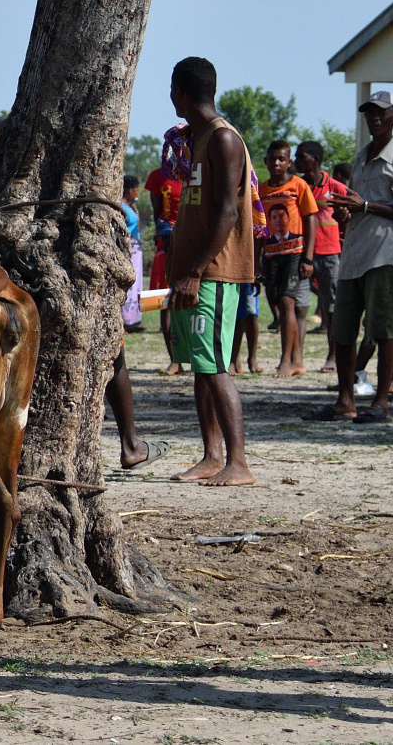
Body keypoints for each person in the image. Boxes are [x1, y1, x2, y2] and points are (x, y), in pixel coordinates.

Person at [165, 57, 255, 487]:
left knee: (217, 363)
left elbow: (228, 209)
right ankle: (211, 455)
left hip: (215, 273)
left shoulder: (223, 139)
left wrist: (197, 270)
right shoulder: (199, 139)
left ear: (179, 92)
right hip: (195, 272)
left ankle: (239, 463)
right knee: (202, 364)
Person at [318, 90, 393, 423]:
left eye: (381, 112)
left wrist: (365, 207)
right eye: (369, 113)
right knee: (343, 330)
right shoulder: (362, 157)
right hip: (354, 252)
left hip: (383, 253)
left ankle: (381, 402)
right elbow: (358, 203)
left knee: (383, 329)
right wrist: (348, 213)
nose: (374, 118)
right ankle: (345, 401)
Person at [258, 140, 319, 377]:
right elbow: (259, 227)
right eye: (272, 159)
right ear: (265, 161)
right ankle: (297, 360)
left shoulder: (299, 185)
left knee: (287, 303)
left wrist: (308, 258)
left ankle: (286, 360)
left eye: (281, 159)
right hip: (271, 255)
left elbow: (310, 219)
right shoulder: (261, 190)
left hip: (295, 254)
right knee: (278, 304)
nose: (276, 163)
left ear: (289, 162)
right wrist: (256, 261)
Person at [296, 140, 347, 372]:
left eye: (301, 156)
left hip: (329, 253)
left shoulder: (335, 187)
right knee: (299, 306)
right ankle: (296, 358)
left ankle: (333, 356)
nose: (296, 161)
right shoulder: (297, 185)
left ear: (315, 160)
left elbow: (349, 216)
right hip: (300, 253)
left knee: (331, 306)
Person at [146, 138, 186, 374]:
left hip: (191, 242)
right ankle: (174, 359)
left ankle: (192, 357)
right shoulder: (156, 177)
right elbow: (157, 212)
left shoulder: (196, 175)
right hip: (166, 243)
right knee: (164, 303)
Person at [120, 175, 144, 332]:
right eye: (136, 190)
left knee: (137, 285)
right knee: (130, 283)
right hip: (129, 248)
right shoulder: (121, 206)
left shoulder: (129, 205)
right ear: (130, 190)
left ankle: (134, 319)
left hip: (136, 247)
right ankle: (126, 320)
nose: (137, 193)